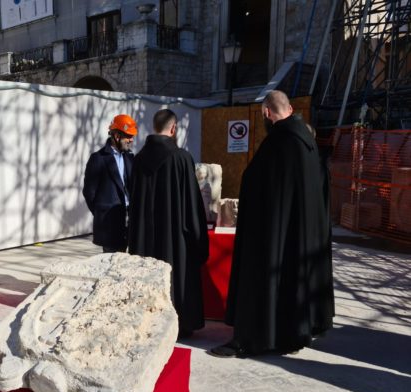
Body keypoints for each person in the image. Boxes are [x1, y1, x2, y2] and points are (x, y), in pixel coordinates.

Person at [210, 90, 334, 358]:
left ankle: (258, 336)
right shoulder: (309, 144)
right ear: (289, 108)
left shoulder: (278, 142)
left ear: (267, 113)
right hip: (303, 235)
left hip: (275, 234)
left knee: (269, 277)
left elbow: (255, 184)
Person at [128, 109, 209, 338]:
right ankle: (180, 324)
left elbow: (133, 203)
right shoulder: (182, 158)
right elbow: (193, 206)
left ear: (155, 127)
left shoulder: (139, 160)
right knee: (178, 279)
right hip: (176, 241)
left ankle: (149, 322)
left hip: (144, 239)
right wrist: (199, 240)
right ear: (173, 129)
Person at [83, 114, 137, 253]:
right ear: (117, 136)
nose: (131, 140)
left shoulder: (130, 157)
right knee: (111, 266)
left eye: (132, 136)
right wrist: (102, 214)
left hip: (130, 223)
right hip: (110, 226)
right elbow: (89, 193)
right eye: (128, 136)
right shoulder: (98, 159)